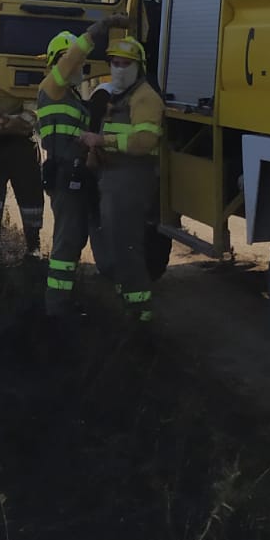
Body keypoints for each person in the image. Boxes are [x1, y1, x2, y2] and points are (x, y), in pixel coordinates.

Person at [75, 25, 161, 325]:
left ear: (139, 67)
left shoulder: (145, 97)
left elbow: (144, 141)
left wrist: (103, 142)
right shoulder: (118, 97)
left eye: (126, 64)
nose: (120, 69)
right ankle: (128, 304)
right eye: (115, 63)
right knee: (116, 243)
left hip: (133, 180)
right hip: (113, 178)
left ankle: (140, 313)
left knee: (127, 246)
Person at [36, 31, 94, 315]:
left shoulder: (68, 95)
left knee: (73, 239)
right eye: (77, 62)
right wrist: (97, 31)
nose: (81, 68)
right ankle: (56, 309)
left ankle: (63, 299)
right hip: (64, 174)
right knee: (66, 242)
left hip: (72, 174)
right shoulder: (52, 88)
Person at [0, 78, 44, 268]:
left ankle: (33, 248)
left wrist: (6, 123)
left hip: (22, 147)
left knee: (30, 199)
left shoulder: (31, 76)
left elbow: (33, 113)